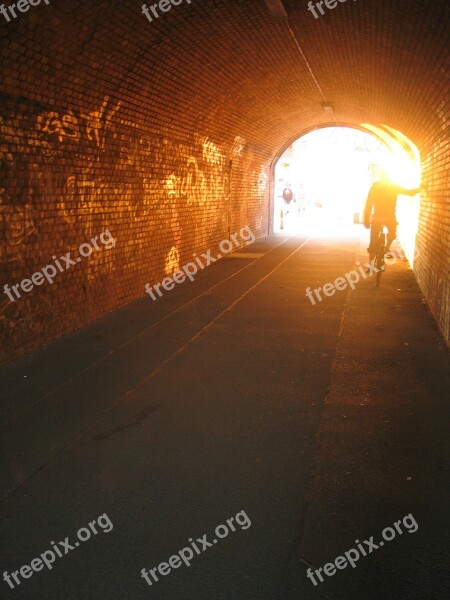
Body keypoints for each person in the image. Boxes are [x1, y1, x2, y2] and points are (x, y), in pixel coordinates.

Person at [364, 169, 421, 264]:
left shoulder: (374, 187)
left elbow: (368, 204)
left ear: (381, 176)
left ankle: (370, 266)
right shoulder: (393, 186)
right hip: (390, 217)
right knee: (392, 234)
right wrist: (420, 188)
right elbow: (409, 193)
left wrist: (366, 220)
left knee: (373, 241)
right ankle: (386, 248)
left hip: (377, 217)